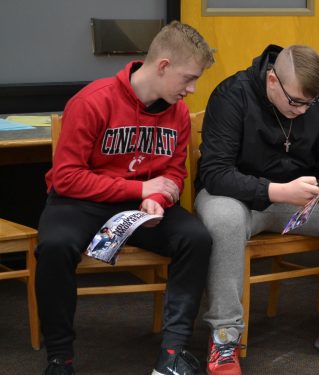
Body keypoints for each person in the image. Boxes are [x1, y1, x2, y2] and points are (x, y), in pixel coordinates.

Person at [35, 21, 215, 375]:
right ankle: (60, 357)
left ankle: (173, 353)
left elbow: (176, 173)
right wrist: (140, 189)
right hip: (79, 200)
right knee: (55, 246)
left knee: (196, 238)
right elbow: (67, 178)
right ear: (163, 66)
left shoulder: (176, 112)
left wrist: (159, 199)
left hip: (141, 205)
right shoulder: (91, 101)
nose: (192, 89)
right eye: (188, 78)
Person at [195, 44, 319, 373]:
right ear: (271, 81)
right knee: (223, 220)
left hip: (298, 197)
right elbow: (215, 173)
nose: (303, 110)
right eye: (296, 102)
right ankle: (225, 335)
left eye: (310, 103)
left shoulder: (318, 99)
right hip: (238, 198)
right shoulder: (231, 95)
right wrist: (276, 190)